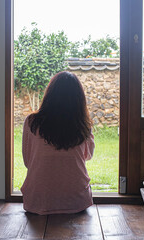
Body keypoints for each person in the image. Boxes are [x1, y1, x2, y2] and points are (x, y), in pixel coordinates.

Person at [21, 71, 95, 215]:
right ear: (79, 99)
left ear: (49, 94)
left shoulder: (31, 122)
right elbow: (88, 155)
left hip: (38, 199)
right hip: (77, 200)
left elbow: (27, 160)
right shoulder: (83, 124)